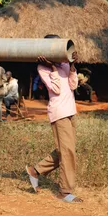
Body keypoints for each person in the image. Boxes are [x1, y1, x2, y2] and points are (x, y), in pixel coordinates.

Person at [25, 34, 83, 203]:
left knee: (65, 150)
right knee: (67, 151)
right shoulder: (43, 67)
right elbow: (56, 89)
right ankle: (64, 192)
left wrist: (71, 65)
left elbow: (73, 85)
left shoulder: (65, 63)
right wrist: (54, 69)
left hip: (71, 111)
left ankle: (35, 170)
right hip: (59, 112)